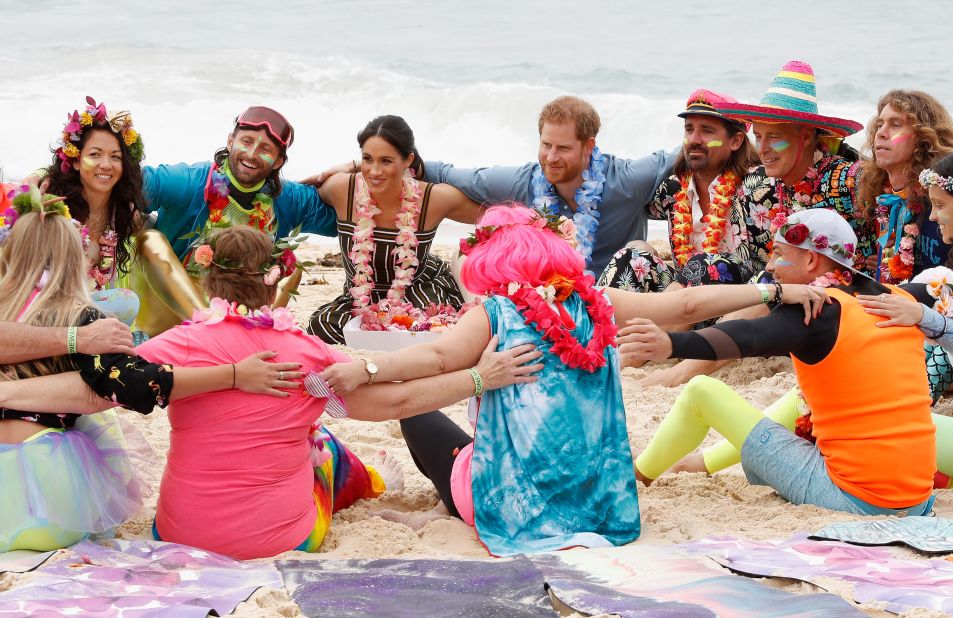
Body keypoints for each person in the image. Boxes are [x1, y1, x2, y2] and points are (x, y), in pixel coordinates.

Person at [320, 204, 829, 555]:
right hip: (598, 503)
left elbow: (432, 358)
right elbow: (687, 304)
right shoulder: (599, 304)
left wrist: (366, 367)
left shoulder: (495, 312)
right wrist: (773, 291)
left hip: (509, 504)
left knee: (421, 417)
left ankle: (446, 506)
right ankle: (443, 504)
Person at [129, 225, 536, 560]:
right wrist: (481, 378)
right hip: (286, 540)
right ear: (276, 283)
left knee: (305, 433)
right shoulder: (306, 352)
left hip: (177, 535)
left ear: (207, 279)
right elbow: (398, 402)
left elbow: (106, 379)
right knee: (321, 443)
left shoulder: (175, 345)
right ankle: (373, 482)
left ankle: (371, 480)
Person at [0, 194, 301, 553]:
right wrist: (234, 375)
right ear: (71, 259)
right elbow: (138, 385)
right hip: (39, 493)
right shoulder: (82, 319)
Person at [619, 208, 935, 516]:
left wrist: (671, 344)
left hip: (856, 499)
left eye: (780, 253)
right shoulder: (902, 300)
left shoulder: (816, 310)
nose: (770, 266)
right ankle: (703, 463)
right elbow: (941, 288)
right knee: (801, 398)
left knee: (701, 392)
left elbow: (749, 335)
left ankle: (639, 475)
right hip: (918, 499)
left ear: (812, 260)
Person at [644, 60, 869, 387]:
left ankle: (680, 371)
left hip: (841, 299)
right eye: (759, 137)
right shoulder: (761, 185)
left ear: (806, 136)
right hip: (785, 293)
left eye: (774, 138)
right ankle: (637, 343)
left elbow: (897, 193)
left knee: (763, 280)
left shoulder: (848, 178)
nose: (762, 149)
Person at [133, 105, 338, 335]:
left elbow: (344, 217)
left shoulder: (289, 198)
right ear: (230, 142)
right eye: (247, 141)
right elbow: (126, 184)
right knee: (150, 239)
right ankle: (212, 328)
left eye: (265, 149)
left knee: (292, 265)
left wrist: (351, 168)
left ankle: (253, 330)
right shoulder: (189, 182)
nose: (251, 154)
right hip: (169, 309)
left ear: (279, 161)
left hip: (240, 317)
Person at [418, 96, 677, 276]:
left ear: (589, 147)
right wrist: (396, 163)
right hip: (550, 296)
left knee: (639, 251)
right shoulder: (526, 181)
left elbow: (686, 152)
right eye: (546, 145)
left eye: (563, 148)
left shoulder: (626, 180)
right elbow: (449, 174)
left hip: (618, 301)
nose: (551, 158)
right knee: (467, 256)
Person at [307, 115, 481, 344]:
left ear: (408, 160)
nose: (374, 171)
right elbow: (289, 200)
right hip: (359, 298)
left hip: (417, 291)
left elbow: (494, 216)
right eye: (367, 159)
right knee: (320, 326)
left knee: (426, 328)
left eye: (386, 161)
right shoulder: (343, 189)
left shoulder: (432, 198)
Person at [599, 89, 765, 298]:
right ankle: (596, 324)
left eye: (707, 131)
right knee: (632, 255)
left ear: (736, 141)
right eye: (689, 129)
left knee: (708, 262)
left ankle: (662, 320)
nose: (694, 139)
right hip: (680, 301)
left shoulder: (758, 187)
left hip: (739, 307)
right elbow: (628, 205)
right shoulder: (673, 189)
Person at [36, 96, 147, 331]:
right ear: (76, 161)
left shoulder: (123, 214)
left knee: (127, 303)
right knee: (127, 301)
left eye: (115, 157)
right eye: (95, 154)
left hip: (85, 320)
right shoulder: (52, 208)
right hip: (40, 316)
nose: (106, 164)